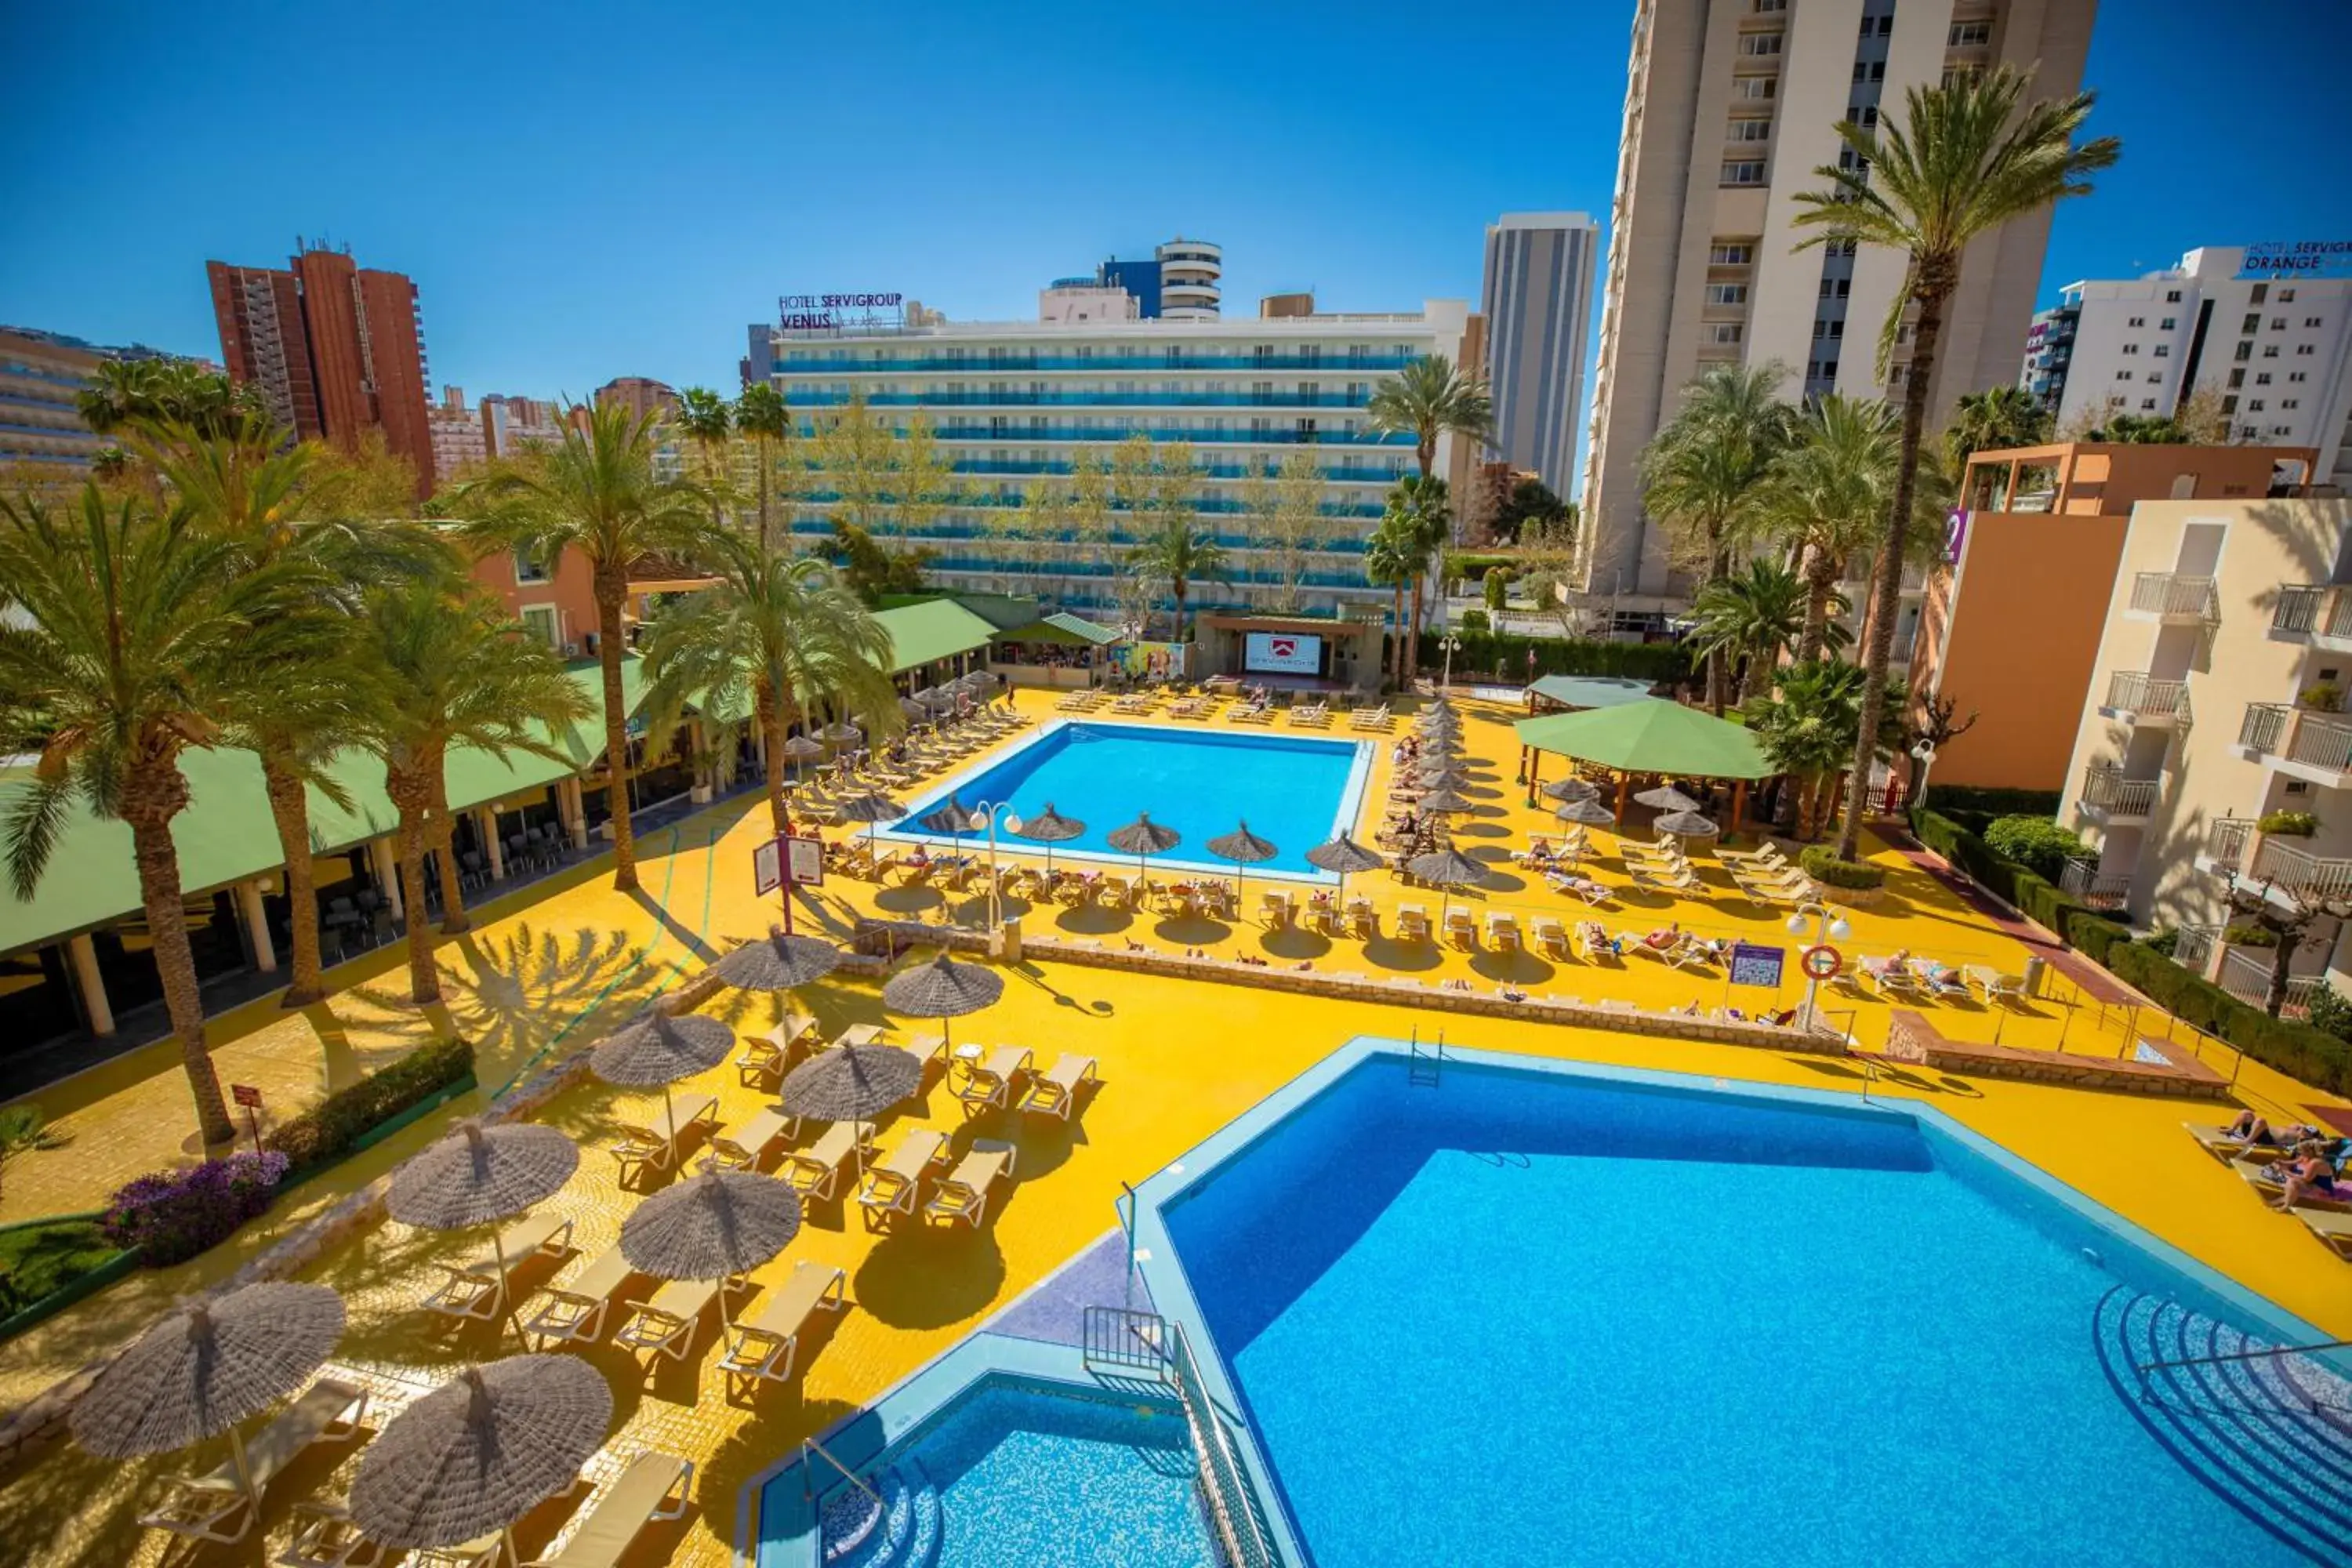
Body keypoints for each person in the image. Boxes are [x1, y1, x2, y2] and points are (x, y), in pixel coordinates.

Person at [2270, 1142, 2340, 1210]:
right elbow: (2293, 1162)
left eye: (2301, 1151)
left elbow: (2306, 1179)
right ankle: (2283, 1200)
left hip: (2322, 1188)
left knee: (2293, 1181)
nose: (2299, 1152)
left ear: (2309, 1152)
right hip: (2312, 1183)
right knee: (2289, 1180)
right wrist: (2280, 1162)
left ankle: (2286, 1206)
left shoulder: (2315, 1162)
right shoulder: (2306, 1156)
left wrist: (2285, 1171)